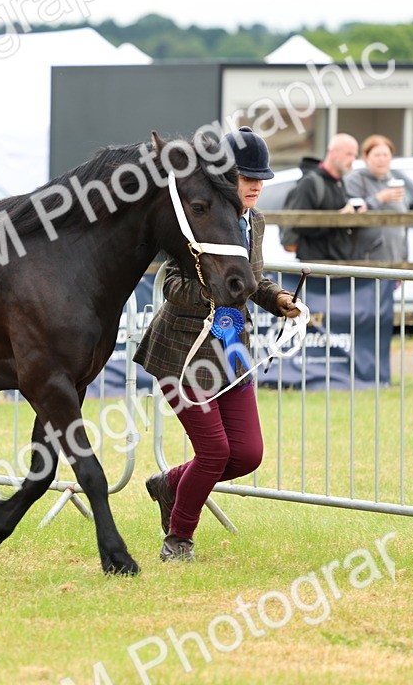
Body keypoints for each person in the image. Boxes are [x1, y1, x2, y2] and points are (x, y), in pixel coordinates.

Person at [134, 127, 302, 562]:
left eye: (261, 177)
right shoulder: (200, 215)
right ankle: (178, 540)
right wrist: (214, 292)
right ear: (225, 177)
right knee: (213, 452)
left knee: (246, 454)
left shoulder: (256, 222)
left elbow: (252, 279)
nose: (257, 185)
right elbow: (169, 281)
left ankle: (169, 484)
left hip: (232, 353)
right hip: (179, 354)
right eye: (247, 176)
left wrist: (277, 299)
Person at [281, 133, 364, 261]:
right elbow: (300, 224)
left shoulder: (340, 182)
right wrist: (337, 219)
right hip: (315, 267)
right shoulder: (310, 182)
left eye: (355, 155)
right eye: (349, 154)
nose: (353, 159)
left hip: (338, 264)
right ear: (332, 152)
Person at [344, 134, 408, 261]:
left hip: (396, 258)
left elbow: (405, 224)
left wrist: (405, 257)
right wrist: (380, 199)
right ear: (366, 157)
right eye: (377, 155)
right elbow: (352, 214)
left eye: (385, 155)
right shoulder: (355, 180)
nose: (382, 159)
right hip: (367, 260)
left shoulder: (395, 183)